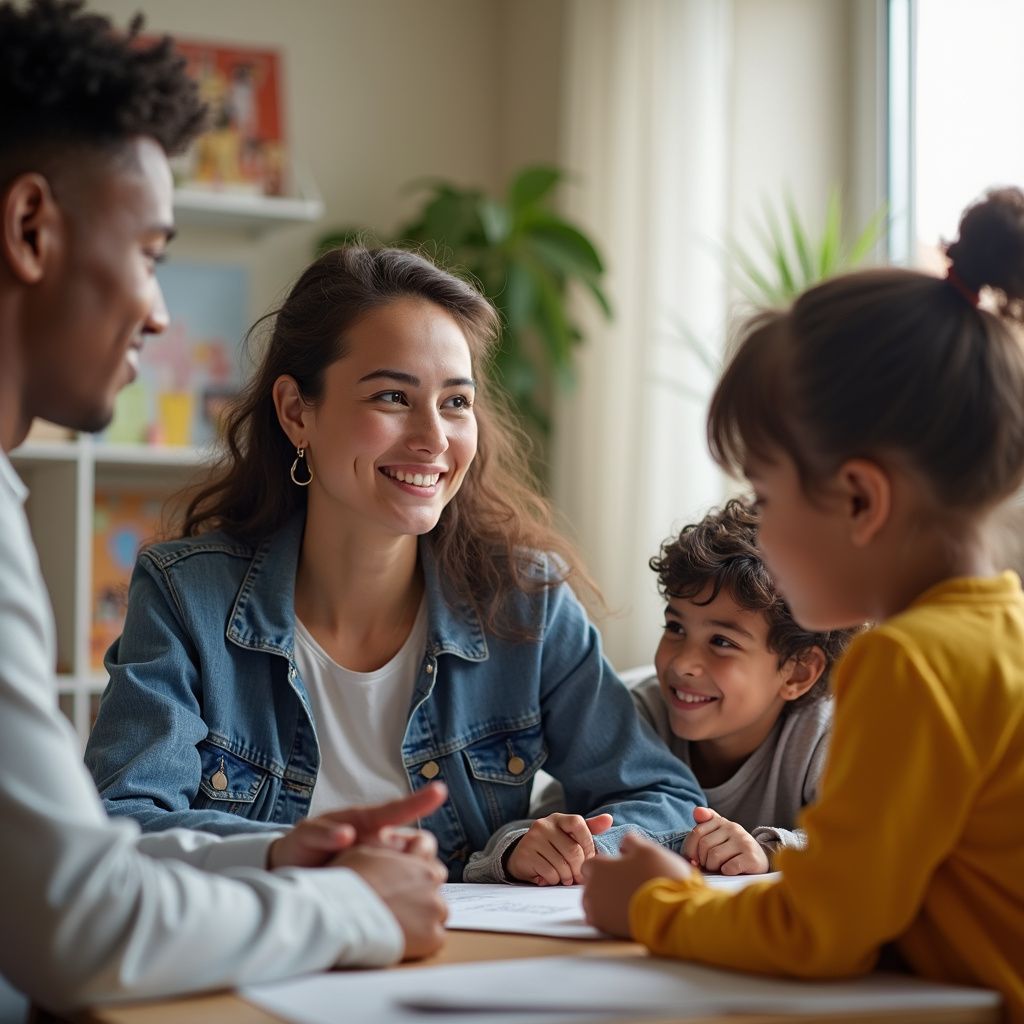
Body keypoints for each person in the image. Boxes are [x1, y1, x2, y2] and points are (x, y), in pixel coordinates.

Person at [0, 0, 449, 1012]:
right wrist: (359, 910)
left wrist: (276, 856)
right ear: (31, 227)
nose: (159, 311)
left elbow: (59, 873)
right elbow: (78, 927)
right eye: (152, 253)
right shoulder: (176, 581)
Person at [83, 242, 705, 887]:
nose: (434, 438)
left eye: (456, 402)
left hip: (457, 963)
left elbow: (667, 802)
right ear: (298, 411)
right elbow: (124, 821)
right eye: (391, 397)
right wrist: (305, 851)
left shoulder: (528, 602)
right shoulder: (187, 597)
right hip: (269, 959)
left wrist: (535, 846)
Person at [582, 187, 1024, 1019]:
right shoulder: (999, 633)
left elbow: (819, 930)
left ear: (859, 499)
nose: (762, 528)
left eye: (767, 494)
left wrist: (655, 904)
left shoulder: (910, 662)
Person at [636, 498, 855, 874]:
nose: (683, 663)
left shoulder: (828, 734)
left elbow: (866, 841)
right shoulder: (639, 714)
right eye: (676, 628)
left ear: (797, 673)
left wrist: (770, 850)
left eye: (722, 642)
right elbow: (558, 813)